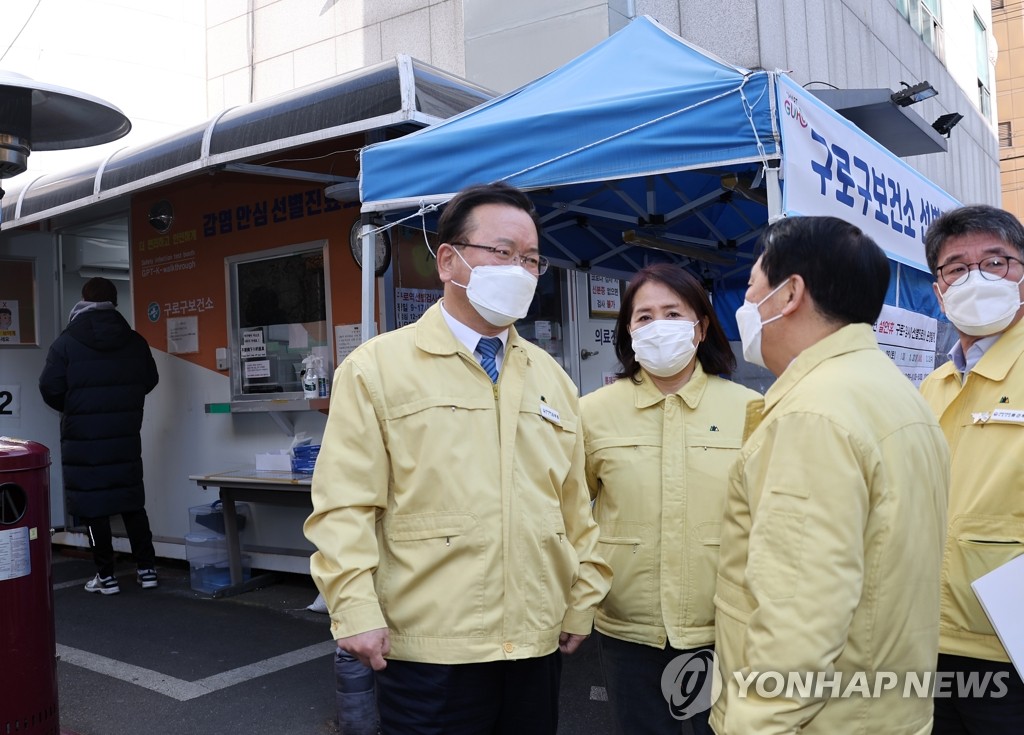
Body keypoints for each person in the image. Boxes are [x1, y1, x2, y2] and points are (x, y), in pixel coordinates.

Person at [304, 182, 612, 735]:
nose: (519, 269)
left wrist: (581, 601)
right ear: (448, 260)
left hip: (534, 643)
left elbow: (574, 510)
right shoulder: (378, 369)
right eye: (502, 252)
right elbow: (343, 504)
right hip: (430, 651)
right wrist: (353, 608)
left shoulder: (553, 379)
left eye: (532, 259)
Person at [710, 216, 949, 734]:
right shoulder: (895, 391)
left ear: (790, 292)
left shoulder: (813, 414)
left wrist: (755, 725)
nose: (745, 306)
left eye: (752, 287)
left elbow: (799, 617)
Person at [581, 264, 758, 735]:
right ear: (628, 332)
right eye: (643, 317)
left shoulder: (747, 409)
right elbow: (570, 514)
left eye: (672, 312)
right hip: (626, 623)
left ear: (700, 327)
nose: (658, 325)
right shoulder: (592, 413)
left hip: (720, 622)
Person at [920, 204, 1024, 733]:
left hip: (1010, 647)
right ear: (939, 289)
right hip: (927, 639)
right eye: (956, 268)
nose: (974, 277)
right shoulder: (933, 386)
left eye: (996, 262)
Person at [39, 277, 160, 595]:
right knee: (132, 501)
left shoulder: (65, 343)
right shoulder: (134, 340)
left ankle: (106, 577)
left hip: (83, 436)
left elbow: (50, 387)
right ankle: (147, 569)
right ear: (114, 302)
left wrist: (75, 407)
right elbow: (150, 379)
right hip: (124, 433)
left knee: (94, 506)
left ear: (83, 300)